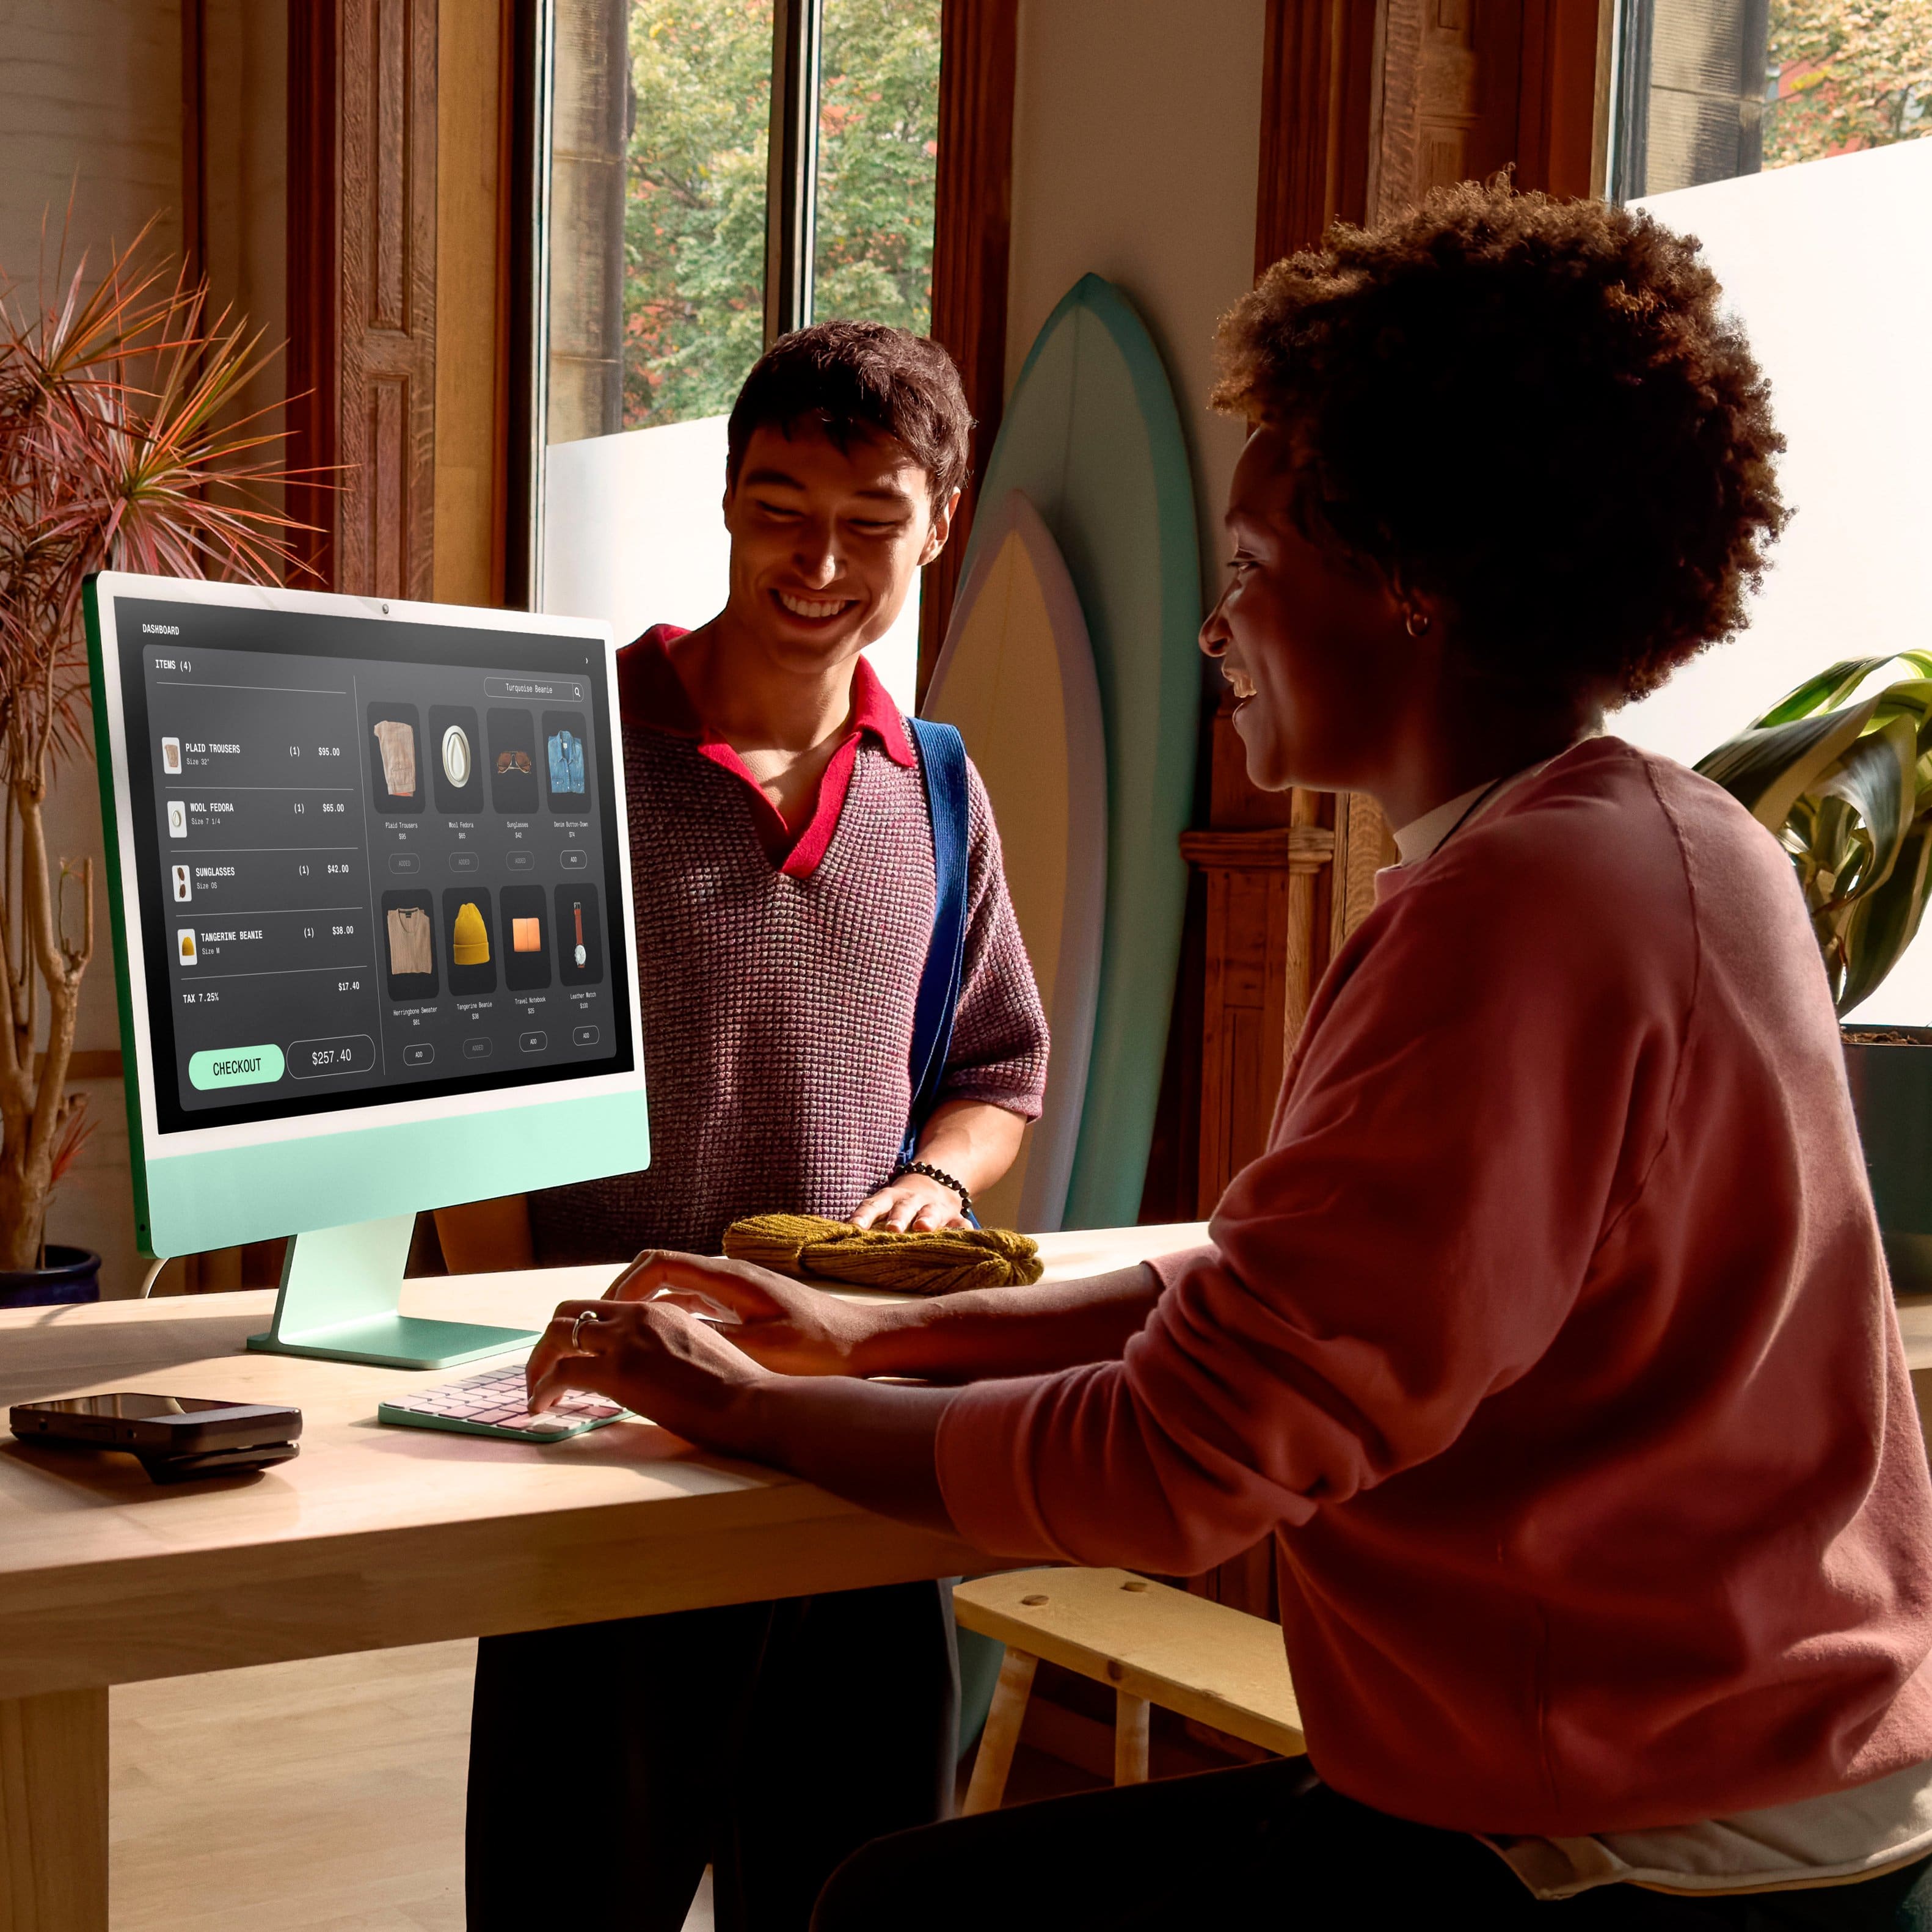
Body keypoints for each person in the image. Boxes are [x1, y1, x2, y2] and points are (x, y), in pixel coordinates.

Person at [520, 181, 1932, 1929]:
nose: (1217, 630)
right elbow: (1288, 1298)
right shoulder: (1665, 836)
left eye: (1252, 568)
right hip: (1730, 1781)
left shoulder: (1512, 914)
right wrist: (883, 1330)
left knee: (900, 1908)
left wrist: (756, 1408)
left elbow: (1177, 1462)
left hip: (1619, 1845)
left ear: (1408, 586)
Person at [465, 321, 1049, 1932]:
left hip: (853, 1456)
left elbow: (998, 1070)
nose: (819, 558)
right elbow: (460, 1095)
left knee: (846, 1904)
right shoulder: (557, 749)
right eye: (781, 506)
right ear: (724, 501)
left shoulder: (934, 785)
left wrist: (936, 1177)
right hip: (608, 1453)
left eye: (872, 518)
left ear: (939, 523)